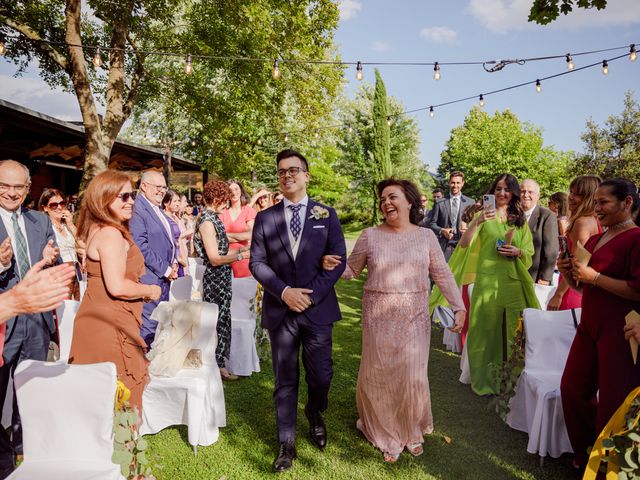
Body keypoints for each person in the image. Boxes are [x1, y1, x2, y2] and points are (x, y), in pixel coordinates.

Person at [322, 179, 465, 463]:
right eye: (383, 199)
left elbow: (443, 274)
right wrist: (334, 267)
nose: (387, 203)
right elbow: (352, 270)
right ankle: (385, 431)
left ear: (409, 202)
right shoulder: (370, 236)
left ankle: (411, 430)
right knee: (380, 373)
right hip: (378, 314)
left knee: (411, 375)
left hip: (414, 314)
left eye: (393, 197)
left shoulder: (425, 237)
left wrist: (458, 306)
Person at [249, 149, 346, 473]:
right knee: (285, 379)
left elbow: (337, 260)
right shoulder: (266, 218)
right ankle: (286, 443)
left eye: (293, 170)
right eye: (281, 172)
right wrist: (285, 292)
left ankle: (315, 412)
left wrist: (310, 295)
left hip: (317, 311)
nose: (287, 175)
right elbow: (257, 263)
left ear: (306, 175)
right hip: (281, 310)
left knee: (322, 375)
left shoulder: (326, 215)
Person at [559, 178, 640, 471]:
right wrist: (567, 272)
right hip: (589, 324)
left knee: (612, 403)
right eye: (596, 202)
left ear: (627, 203)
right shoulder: (595, 239)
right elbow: (581, 286)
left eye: (604, 202)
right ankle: (585, 455)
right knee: (571, 389)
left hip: (619, 331)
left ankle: (608, 467)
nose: (597, 208)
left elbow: (636, 290)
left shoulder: (636, 239)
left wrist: (594, 277)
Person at [433, 173, 539, 395]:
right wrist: (478, 221)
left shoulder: (518, 219)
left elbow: (529, 251)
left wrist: (518, 251)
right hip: (487, 279)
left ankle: (511, 379)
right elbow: (464, 243)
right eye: (498, 189)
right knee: (484, 330)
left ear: (513, 194)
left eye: (507, 190)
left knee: (514, 330)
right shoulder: (483, 215)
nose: (502, 193)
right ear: (493, 191)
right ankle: (483, 379)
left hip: (513, 281)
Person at [69, 171, 160, 413]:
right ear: (104, 199)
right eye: (124, 197)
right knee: (123, 396)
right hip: (110, 324)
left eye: (132, 195)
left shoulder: (100, 229)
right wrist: (150, 290)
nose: (131, 201)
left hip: (98, 317)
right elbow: (117, 286)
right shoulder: (110, 234)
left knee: (100, 399)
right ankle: (124, 450)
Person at [0, 160, 60, 474]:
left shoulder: (40, 220)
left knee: (32, 388)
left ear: (27, 189)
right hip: (3, 322)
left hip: (36, 322)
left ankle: (27, 447)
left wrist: (50, 261)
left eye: (17, 187)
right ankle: (3, 456)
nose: (11, 193)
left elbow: (57, 263)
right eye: (3, 186)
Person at [193, 181, 250, 381]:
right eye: (224, 199)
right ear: (216, 198)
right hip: (215, 279)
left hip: (223, 276)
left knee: (223, 319)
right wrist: (241, 256)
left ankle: (220, 365)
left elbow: (222, 250)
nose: (227, 204)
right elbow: (215, 258)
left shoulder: (214, 219)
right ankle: (216, 367)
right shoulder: (207, 222)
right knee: (216, 321)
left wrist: (240, 250)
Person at [130, 170, 178, 348]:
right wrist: (165, 269)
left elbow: (165, 242)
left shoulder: (155, 208)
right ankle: (142, 370)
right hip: (149, 277)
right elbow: (140, 246)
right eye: (158, 187)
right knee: (148, 328)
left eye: (164, 187)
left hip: (162, 278)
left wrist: (172, 261)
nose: (162, 191)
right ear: (144, 186)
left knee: (158, 326)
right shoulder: (138, 209)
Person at [548, 176, 602, 311]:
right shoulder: (595, 220)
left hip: (571, 291)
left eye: (578, 194)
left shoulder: (582, 222)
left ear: (589, 197)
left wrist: (558, 295)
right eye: (571, 192)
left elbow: (575, 266)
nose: (571, 197)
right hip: (579, 288)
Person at [520, 179, 559, 285]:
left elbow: (551, 249)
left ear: (538, 196)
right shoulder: (512, 215)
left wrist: (545, 278)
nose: (525, 195)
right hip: (513, 276)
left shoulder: (546, 216)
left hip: (535, 277)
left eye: (530, 192)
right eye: (522, 191)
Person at [429, 172, 475, 260]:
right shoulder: (439, 202)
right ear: (449, 183)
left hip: (464, 246)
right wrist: (442, 230)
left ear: (462, 183)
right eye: (453, 182)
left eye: (458, 183)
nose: (455, 185)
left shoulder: (471, 203)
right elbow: (432, 224)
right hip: (444, 247)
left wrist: (468, 230)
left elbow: (474, 224)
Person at [220, 180, 257, 279]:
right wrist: (241, 237)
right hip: (224, 257)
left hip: (243, 257)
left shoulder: (249, 211)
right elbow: (217, 236)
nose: (234, 192)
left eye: (236, 189)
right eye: (230, 190)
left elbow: (251, 235)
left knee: (243, 291)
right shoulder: (222, 211)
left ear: (241, 190)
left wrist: (226, 236)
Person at [162, 190, 188, 278]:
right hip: (172, 261)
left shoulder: (175, 217)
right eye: (175, 201)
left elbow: (179, 239)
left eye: (179, 201)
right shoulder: (163, 218)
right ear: (166, 203)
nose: (178, 204)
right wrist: (177, 259)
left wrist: (183, 259)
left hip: (180, 259)